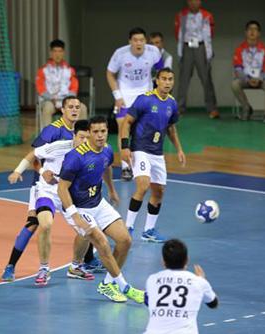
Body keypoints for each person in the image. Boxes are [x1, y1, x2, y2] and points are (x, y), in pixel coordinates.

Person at [1, 96, 103, 282]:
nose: (74, 110)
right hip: (44, 185)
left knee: (85, 223)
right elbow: (35, 157)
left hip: (65, 190)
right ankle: (11, 266)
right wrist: (35, 172)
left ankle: (84, 261)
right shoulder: (53, 132)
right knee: (35, 224)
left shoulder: (85, 137)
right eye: (70, 107)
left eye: (77, 107)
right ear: (62, 110)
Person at [58, 115, 145, 303]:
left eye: (103, 131)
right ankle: (125, 287)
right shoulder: (75, 157)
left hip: (97, 203)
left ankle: (107, 284)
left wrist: (112, 190)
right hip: (77, 208)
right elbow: (61, 188)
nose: (100, 136)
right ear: (88, 133)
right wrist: (75, 215)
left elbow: (105, 168)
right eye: (95, 132)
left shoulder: (107, 150)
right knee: (102, 242)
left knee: (125, 240)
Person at [120, 68, 185, 242]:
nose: (167, 82)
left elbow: (171, 128)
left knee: (159, 191)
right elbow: (126, 123)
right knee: (143, 186)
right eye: (164, 79)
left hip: (157, 152)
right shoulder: (145, 99)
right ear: (157, 80)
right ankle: (128, 227)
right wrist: (124, 147)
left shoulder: (172, 103)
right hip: (140, 148)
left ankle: (148, 231)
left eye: (170, 79)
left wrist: (179, 149)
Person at [106, 27, 163, 181]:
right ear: (130, 41)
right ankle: (126, 167)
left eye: (142, 40)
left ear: (146, 41)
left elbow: (161, 71)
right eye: (135, 40)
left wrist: (158, 92)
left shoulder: (153, 52)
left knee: (146, 131)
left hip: (145, 95)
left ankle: (145, 165)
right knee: (123, 128)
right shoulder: (120, 54)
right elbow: (110, 74)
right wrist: (117, 96)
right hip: (125, 96)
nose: (139, 43)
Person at [143, 239, 218, 334]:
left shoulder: (152, 280)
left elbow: (148, 301)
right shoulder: (198, 282)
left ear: (163, 261)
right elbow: (213, 304)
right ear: (187, 260)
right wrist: (203, 281)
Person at [175, 0, 219, 119]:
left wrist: (209, 53)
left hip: (201, 46)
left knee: (206, 78)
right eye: (191, 1)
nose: (193, 3)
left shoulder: (206, 15)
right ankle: (179, 108)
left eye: (196, 1)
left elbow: (209, 35)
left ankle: (212, 108)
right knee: (183, 79)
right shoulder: (181, 15)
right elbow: (179, 33)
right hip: (186, 46)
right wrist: (179, 52)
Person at [36, 39, 88, 128]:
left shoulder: (70, 70)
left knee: (82, 108)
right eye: (55, 51)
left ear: (63, 53)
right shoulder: (42, 70)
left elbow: (74, 89)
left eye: (60, 51)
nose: (57, 54)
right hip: (50, 101)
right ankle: (47, 139)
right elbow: (41, 89)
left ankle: (80, 137)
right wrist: (52, 98)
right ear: (51, 53)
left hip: (67, 101)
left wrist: (67, 101)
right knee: (47, 108)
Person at [232, 20, 265, 124]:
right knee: (234, 84)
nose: (252, 32)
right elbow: (238, 69)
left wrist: (259, 79)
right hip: (245, 79)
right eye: (250, 29)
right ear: (245, 32)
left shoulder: (264, 49)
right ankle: (247, 108)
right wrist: (248, 79)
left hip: (260, 79)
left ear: (259, 33)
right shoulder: (239, 49)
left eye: (255, 29)